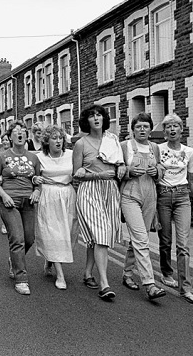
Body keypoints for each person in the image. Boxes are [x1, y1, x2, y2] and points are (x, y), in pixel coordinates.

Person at [73, 104, 126, 301]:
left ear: (104, 119)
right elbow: (76, 175)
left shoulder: (112, 140)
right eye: (91, 116)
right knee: (102, 233)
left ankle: (88, 273)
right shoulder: (81, 144)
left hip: (110, 191)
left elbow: (120, 162)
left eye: (99, 115)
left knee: (97, 237)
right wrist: (98, 174)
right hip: (89, 192)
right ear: (86, 121)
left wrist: (121, 167)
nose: (96, 119)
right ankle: (104, 283)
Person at [119, 113, 167, 300]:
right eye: (138, 126)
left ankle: (128, 274)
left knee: (140, 238)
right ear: (133, 129)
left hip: (150, 195)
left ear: (150, 129)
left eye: (146, 126)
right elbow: (117, 170)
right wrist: (128, 172)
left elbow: (162, 169)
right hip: (130, 194)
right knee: (141, 239)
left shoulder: (154, 147)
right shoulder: (125, 146)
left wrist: (158, 172)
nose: (142, 130)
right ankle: (150, 284)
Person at [157, 114, 193, 305]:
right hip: (163, 195)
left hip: (183, 197)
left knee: (183, 245)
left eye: (175, 126)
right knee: (165, 240)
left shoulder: (190, 152)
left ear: (181, 129)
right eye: (168, 127)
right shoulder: (157, 149)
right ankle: (167, 272)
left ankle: (186, 288)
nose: (172, 129)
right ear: (165, 131)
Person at [0, 120, 40, 295]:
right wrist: (4, 196)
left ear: (26, 136)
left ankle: (14, 260)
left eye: (23, 131)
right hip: (9, 202)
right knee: (17, 239)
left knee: (29, 239)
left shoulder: (34, 158)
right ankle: (21, 279)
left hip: (28, 202)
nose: (20, 133)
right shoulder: (1, 156)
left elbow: (38, 180)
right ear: (10, 136)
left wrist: (37, 191)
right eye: (16, 131)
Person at [33, 125, 78, 290]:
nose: (58, 141)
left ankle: (50, 259)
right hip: (49, 195)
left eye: (60, 138)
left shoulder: (71, 155)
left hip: (68, 195)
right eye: (54, 138)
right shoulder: (39, 158)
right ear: (47, 141)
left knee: (68, 233)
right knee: (53, 231)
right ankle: (60, 275)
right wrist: (35, 180)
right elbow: (32, 174)